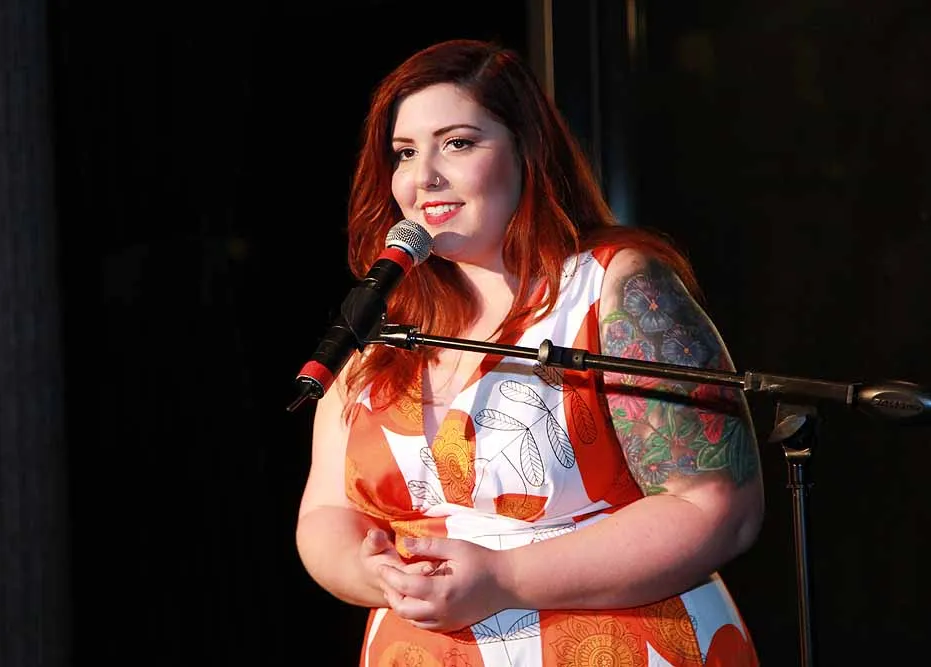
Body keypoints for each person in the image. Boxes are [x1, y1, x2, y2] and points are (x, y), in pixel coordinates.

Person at [296, 38, 765, 666]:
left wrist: (505, 578)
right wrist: (373, 571)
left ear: (527, 150)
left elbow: (717, 505)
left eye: (457, 143)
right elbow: (325, 512)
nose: (423, 174)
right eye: (405, 152)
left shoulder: (613, 287)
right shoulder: (384, 326)